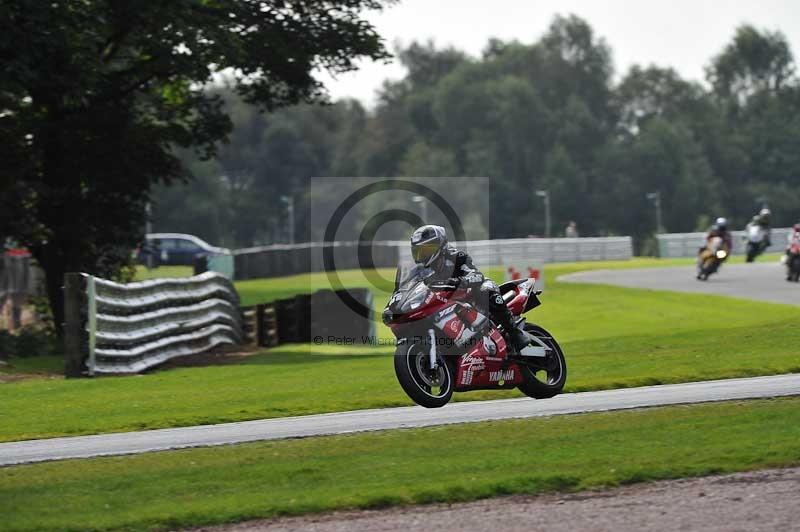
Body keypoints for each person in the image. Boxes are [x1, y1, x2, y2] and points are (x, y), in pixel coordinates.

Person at [409, 225, 529, 353]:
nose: (422, 255)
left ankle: (515, 333)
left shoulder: (457, 257)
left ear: (440, 245)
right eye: (419, 251)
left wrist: (461, 281)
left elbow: (477, 275)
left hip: (470, 293)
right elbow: (409, 288)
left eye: (426, 250)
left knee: (486, 290)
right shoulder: (418, 270)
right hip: (443, 301)